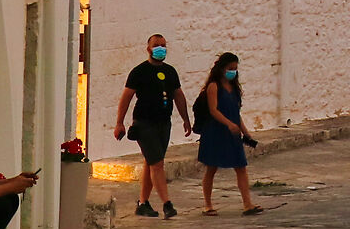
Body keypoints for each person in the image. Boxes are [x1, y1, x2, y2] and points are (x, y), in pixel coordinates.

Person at [113, 33, 195, 219]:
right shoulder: (139, 72)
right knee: (157, 164)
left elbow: (178, 95)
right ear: (148, 48)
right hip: (144, 123)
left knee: (151, 162)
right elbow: (126, 97)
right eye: (157, 45)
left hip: (164, 123)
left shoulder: (170, 72)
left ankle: (143, 203)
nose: (161, 48)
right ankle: (167, 204)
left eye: (163, 45)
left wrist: (186, 119)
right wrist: (119, 123)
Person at [195, 52, 263, 217]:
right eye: (230, 68)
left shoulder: (234, 89)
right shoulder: (213, 87)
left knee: (241, 167)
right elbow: (213, 110)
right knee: (211, 168)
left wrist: (245, 132)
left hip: (232, 134)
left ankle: (247, 204)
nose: (233, 72)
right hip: (215, 132)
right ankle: (208, 205)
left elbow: (236, 113)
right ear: (222, 68)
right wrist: (228, 124)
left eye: (235, 69)